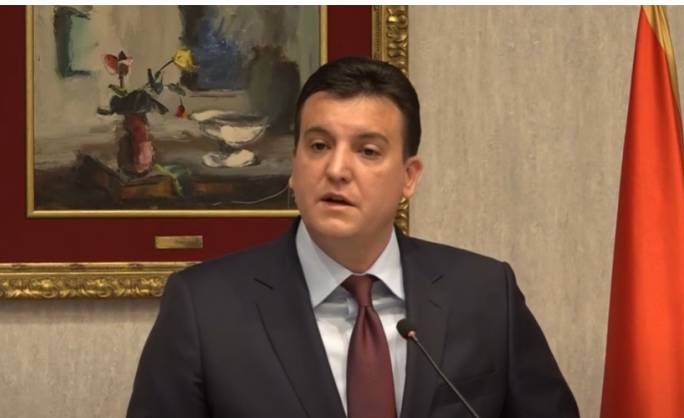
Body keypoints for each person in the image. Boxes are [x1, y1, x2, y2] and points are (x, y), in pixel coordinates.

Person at [127, 56, 579, 418]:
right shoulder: (203, 308)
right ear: (294, 165)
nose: (337, 169)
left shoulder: (485, 294)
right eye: (319, 146)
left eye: (368, 151)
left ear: (409, 177)